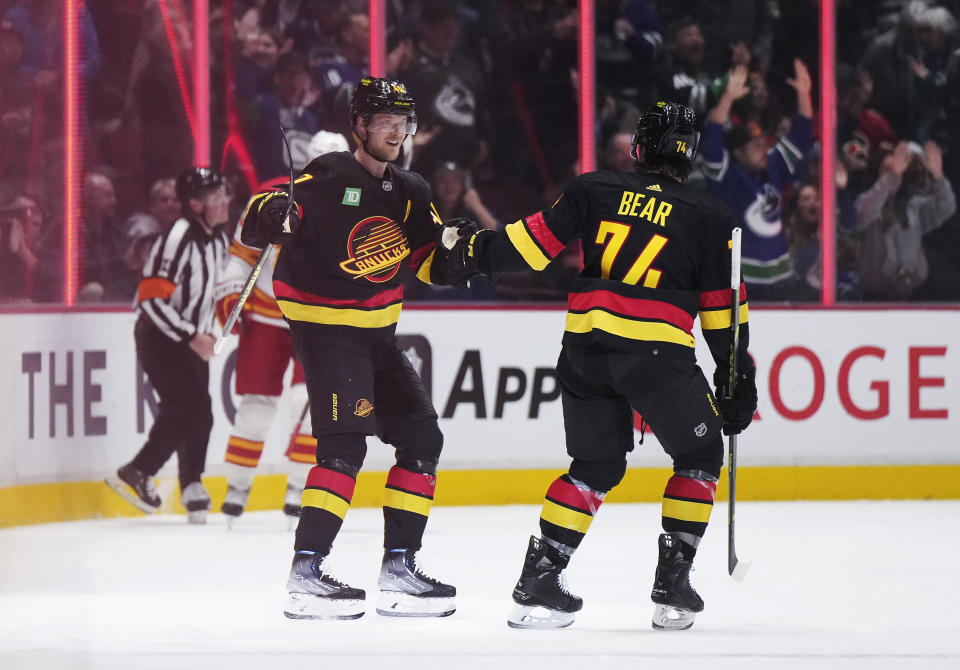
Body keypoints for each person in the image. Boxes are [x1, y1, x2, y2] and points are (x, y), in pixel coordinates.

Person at [433, 102, 757, 631]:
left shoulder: (595, 189)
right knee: (698, 453)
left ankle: (540, 579)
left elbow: (530, 246)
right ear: (691, 155)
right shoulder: (711, 217)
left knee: (594, 468)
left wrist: (472, 252)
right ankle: (671, 585)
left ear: (639, 147)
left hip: (584, 351)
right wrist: (735, 375)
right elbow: (724, 315)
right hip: (656, 356)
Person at [239, 76, 456, 620]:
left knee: (422, 437)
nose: (396, 131)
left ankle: (399, 568)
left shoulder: (411, 190)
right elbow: (262, 213)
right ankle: (306, 572)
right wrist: (271, 215)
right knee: (344, 450)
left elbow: (434, 256)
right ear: (357, 125)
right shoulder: (330, 173)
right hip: (329, 335)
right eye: (384, 121)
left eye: (403, 122)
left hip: (378, 337)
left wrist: (471, 248)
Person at [213, 135, 348, 528]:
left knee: (309, 404)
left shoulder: (354, 203)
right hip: (268, 315)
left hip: (316, 318)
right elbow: (239, 254)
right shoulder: (272, 196)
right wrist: (229, 297)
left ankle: (297, 489)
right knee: (256, 407)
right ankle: (237, 489)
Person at [105, 167, 231, 524]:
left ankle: (191, 484)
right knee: (185, 407)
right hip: (160, 337)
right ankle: (140, 469)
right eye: (215, 197)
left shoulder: (217, 238)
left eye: (224, 193)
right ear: (195, 204)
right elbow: (150, 301)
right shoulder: (176, 239)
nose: (224, 201)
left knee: (200, 411)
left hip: (192, 339)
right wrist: (193, 335)